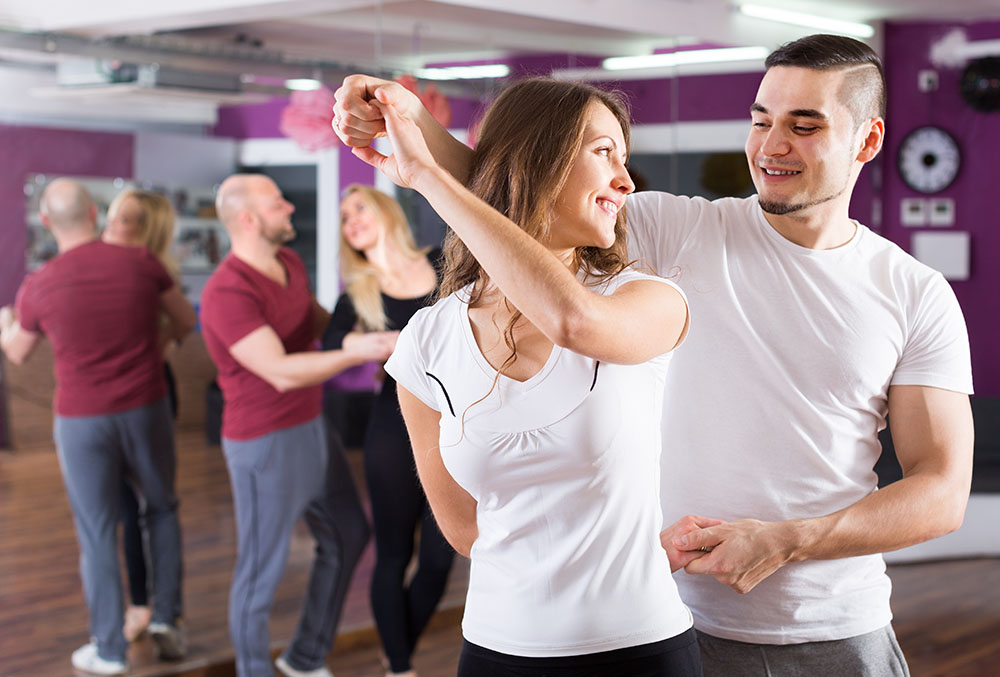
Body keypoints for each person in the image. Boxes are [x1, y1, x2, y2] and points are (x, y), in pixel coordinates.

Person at [332, 33, 974, 676]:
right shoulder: (679, 230)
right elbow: (524, 189)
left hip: (834, 628)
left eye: (804, 126)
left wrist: (787, 541)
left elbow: (941, 493)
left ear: (867, 140)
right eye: (761, 121)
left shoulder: (914, 293)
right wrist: (406, 122)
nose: (772, 145)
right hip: (670, 616)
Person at [355, 78, 701, 676]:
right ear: (538, 164)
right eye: (604, 153)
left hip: (639, 652)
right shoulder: (426, 342)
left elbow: (573, 319)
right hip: (494, 651)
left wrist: (429, 178)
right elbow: (466, 530)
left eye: (624, 157)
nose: (626, 180)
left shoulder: (649, 300)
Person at [0, 178, 196, 675]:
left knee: (96, 532)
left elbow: (18, 354)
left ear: (46, 222)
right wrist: (153, 353)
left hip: (82, 421)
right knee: (162, 510)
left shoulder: (38, 285)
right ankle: (168, 621)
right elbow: (184, 321)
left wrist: (6, 327)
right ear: (93, 211)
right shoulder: (142, 264)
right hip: (146, 408)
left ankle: (109, 650)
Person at [199, 173, 391, 677]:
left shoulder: (286, 262)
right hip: (263, 442)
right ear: (247, 219)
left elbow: (316, 323)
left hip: (311, 425)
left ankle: (306, 657)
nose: (288, 207)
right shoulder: (227, 291)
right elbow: (281, 371)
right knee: (259, 575)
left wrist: (370, 326)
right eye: (276, 202)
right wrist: (355, 353)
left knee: (349, 533)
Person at [323, 185, 453, 677]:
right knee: (394, 553)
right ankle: (400, 667)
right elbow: (333, 342)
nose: (351, 219)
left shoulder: (443, 264)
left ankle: (398, 648)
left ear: (385, 212)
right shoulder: (360, 291)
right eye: (343, 216)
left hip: (454, 422)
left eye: (359, 207)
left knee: (442, 558)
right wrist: (374, 341)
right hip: (393, 427)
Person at [103, 188, 184, 643]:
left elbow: (180, 327)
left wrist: (148, 352)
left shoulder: (154, 273)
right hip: (106, 405)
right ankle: (141, 603)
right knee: (123, 507)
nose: (113, 226)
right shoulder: (99, 266)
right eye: (112, 217)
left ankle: (165, 613)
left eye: (125, 219)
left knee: (155, 503)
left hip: (150, 395)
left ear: (147, 228)